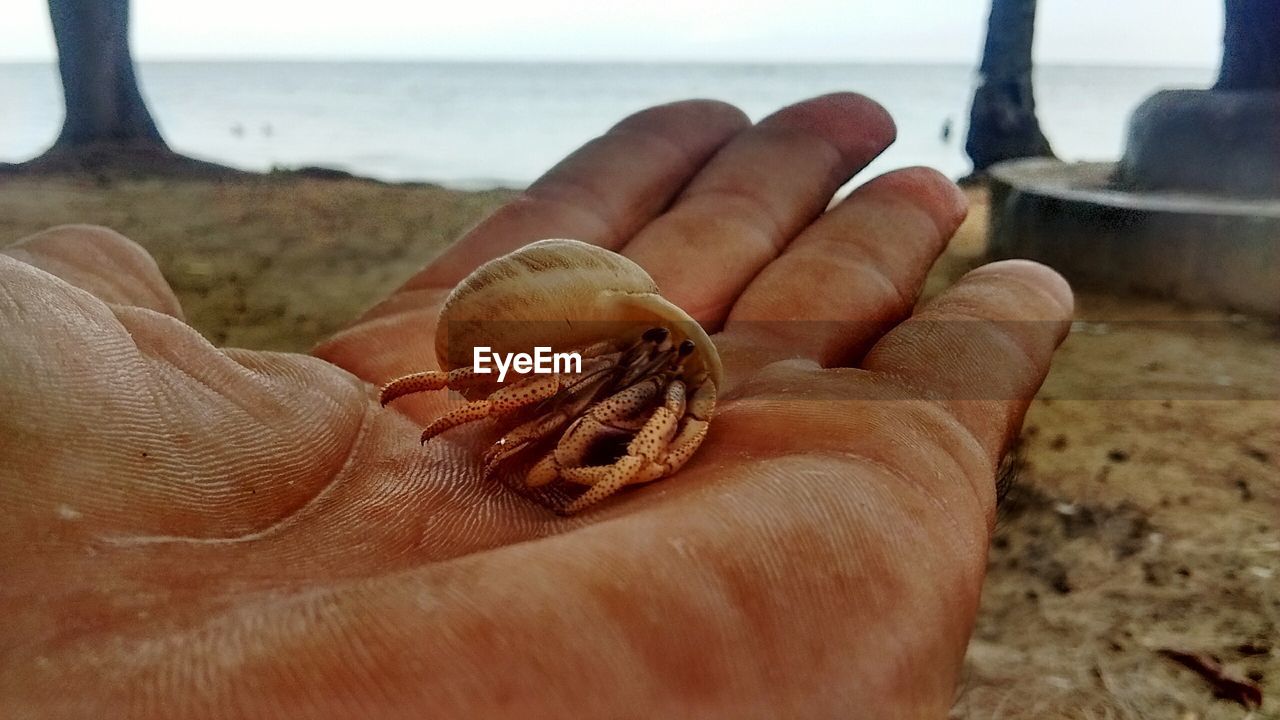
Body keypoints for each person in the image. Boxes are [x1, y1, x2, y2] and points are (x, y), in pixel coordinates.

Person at [0, 93, 1072, 717]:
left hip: (627, 340)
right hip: (594, 336)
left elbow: (645, 383)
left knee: (616, 404)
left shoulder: (657, 360)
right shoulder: (582, 351)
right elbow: (475, 387)